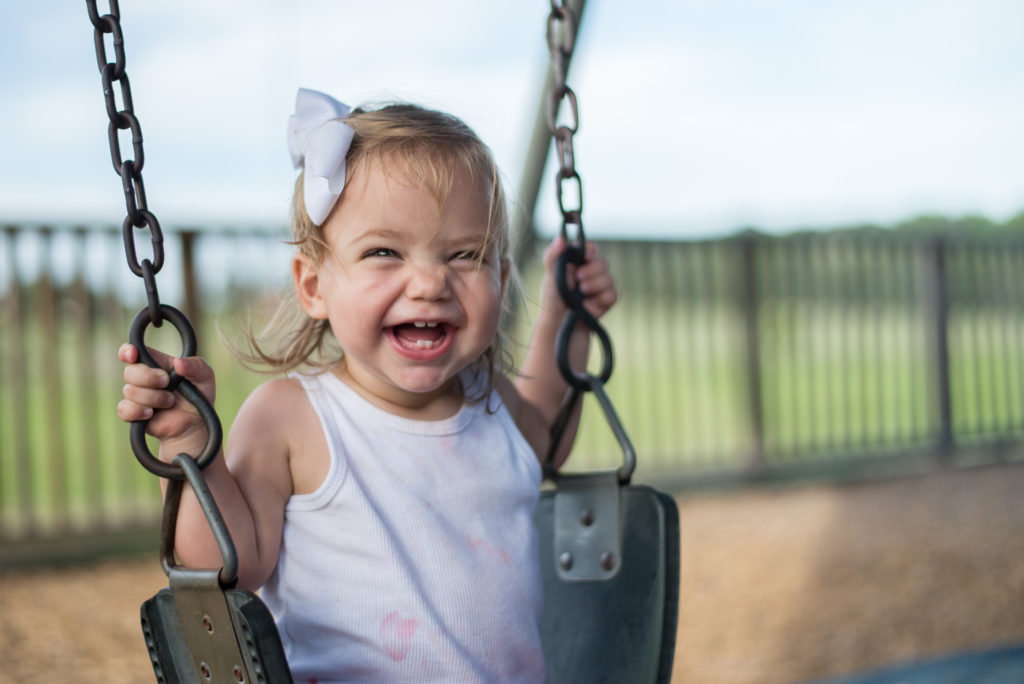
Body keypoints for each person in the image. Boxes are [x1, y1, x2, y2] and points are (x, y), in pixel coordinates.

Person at [117, 88, 617, 683]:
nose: (430, 282)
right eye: (384, 252)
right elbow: (228, 564)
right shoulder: (292, 420)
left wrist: (564, 316)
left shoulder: (490, 398)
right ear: (314, 285)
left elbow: (546, 440)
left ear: (501, 280)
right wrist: (190, 444)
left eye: (464, 254)